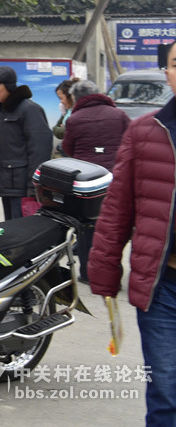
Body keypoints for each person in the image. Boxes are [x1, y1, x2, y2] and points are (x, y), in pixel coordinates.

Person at [90, 42, 176, 427]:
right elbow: (117, 209)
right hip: (164, 287)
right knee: (166, 390)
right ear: (167, 73)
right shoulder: (145, 132)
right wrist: (105, 272)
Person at [62, 78, 130, 283]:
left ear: (76, 98)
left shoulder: (74, 118)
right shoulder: (119, 115)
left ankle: (88, 273)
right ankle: (113, 273)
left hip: (87, 181)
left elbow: (68, 149)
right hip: (115, 178)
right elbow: (131, 141)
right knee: (112, 228)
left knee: (86, 227)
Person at [0, 65, 52, 221]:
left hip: (22, 187)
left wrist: (35, 187)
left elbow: (39, 151)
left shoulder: (29, 110)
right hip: (6, 184)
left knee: (23, 234)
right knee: (10, 231)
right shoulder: (0, 111)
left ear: (9, 85)